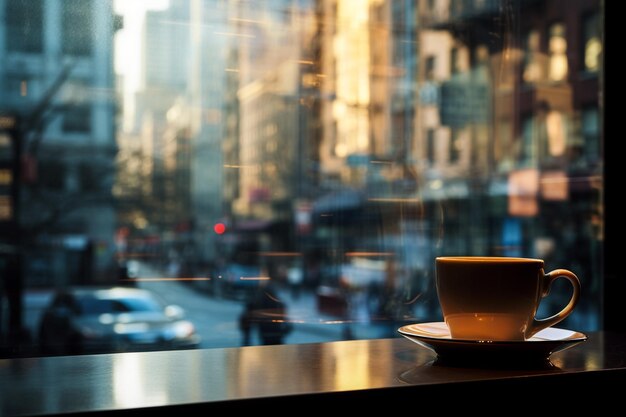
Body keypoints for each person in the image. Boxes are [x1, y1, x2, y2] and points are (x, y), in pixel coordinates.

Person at [239, 280, 292, 346]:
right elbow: (288, 324)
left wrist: (246, 338)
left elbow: (245, 320)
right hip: (275, 337)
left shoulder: (257, 304)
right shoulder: (278, 305)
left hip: (268, 336)